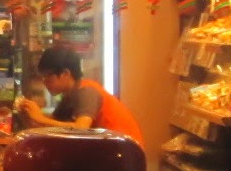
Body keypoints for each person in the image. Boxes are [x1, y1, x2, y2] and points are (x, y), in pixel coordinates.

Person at [16, 45, 145, 147]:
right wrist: (29, 116)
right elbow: (53, 128)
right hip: (109, 150)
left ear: (65, 73)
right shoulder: (68, 96)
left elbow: (81, 129)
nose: (44, 82)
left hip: (124, 153)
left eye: (48, 77)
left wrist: (40, 118)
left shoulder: (87, 91)